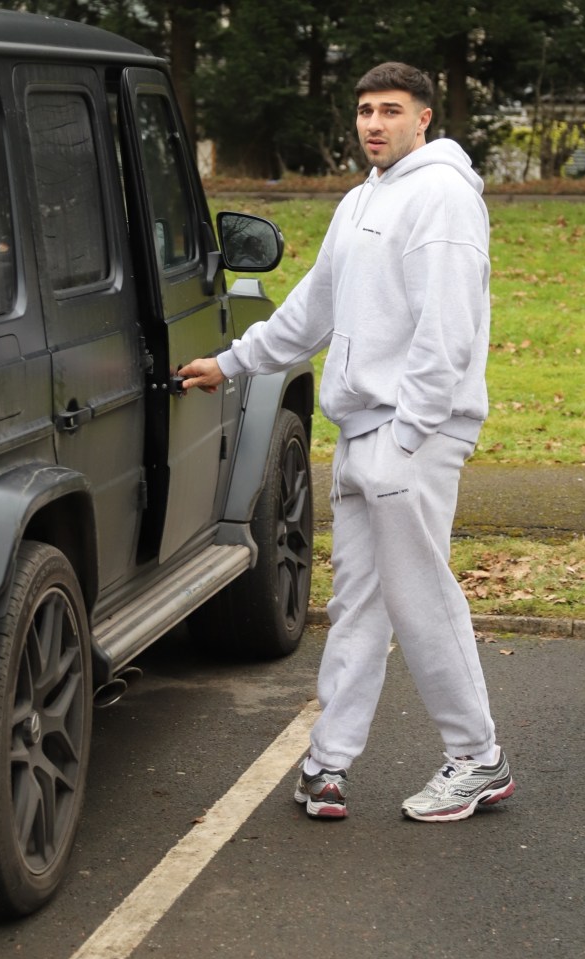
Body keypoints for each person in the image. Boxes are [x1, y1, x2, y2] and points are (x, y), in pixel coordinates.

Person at [180, 62, 514, 822]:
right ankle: (326, 765)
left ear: (423, 118)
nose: (372, 123)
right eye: (364, 110)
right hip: (363, 430)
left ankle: (477, 758)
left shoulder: (439, 196)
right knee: (358, 602)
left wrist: (410, 431)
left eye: (390, 110)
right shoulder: (364, 198)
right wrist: (232, 362)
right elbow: (312, 308)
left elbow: (447, 328)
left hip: (411, 436)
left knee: (421, 596)